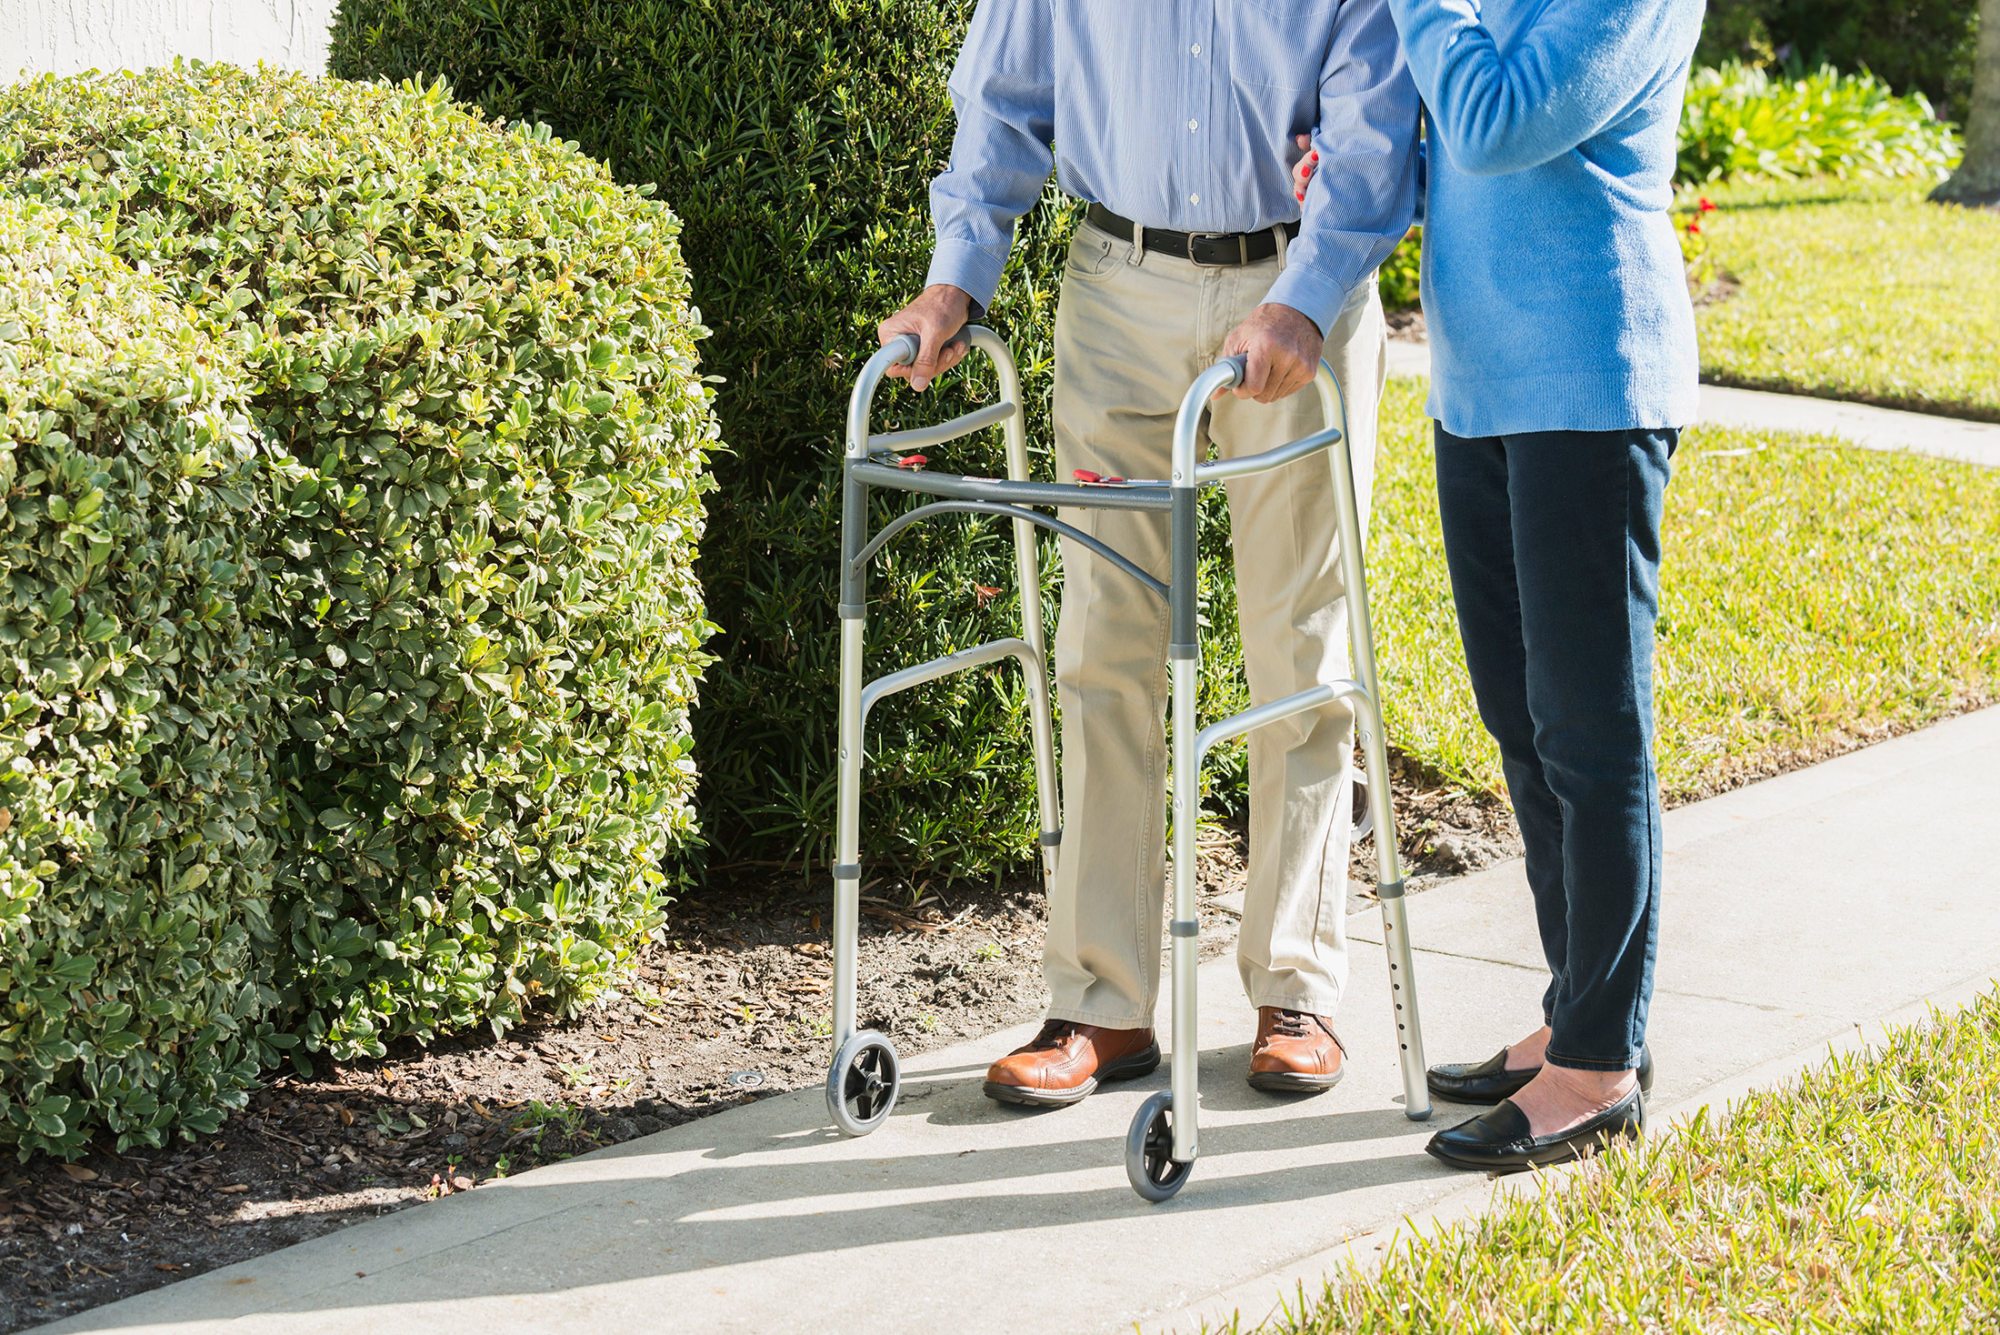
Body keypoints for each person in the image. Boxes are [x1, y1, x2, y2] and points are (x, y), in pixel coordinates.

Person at [880, 1, 1419, 1107]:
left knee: (1298, 646)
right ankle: (1100, 1003)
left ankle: (1294, 986)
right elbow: (1001, 102)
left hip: (1294, 291)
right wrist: (955, 274)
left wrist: (1304, 302)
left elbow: (1372, 137)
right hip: (1117, 289)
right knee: (1102, 644)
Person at [1295, 0, 1703, 1170]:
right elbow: (1471, 163)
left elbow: (1492, 121)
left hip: (1588, 379)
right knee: (1522, 724)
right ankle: (1573, 1010)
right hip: (1480, 392)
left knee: (1588, 731)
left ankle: (1596, 1068)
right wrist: (1386, 170)